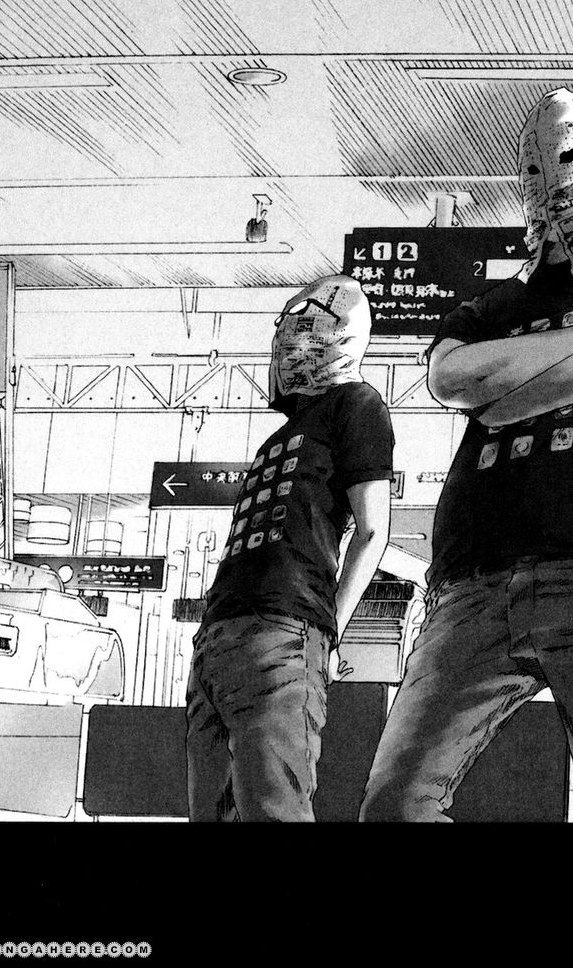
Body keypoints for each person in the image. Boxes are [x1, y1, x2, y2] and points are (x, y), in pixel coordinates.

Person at [359, 88, 573, 823]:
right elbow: (450, 375)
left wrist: (508, 396)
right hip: (472, 582)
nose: (556, 177)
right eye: (539, 167)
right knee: (394, 805)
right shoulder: (492, 301)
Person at [186, 274, 395, 821]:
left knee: (274, 808)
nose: (292, 342)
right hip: (222, 635)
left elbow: (373, 530)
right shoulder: (280, 436)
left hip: (284, 628)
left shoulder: (357, 404)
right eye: (291, 329)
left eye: (309, 328)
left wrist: (328, 633)